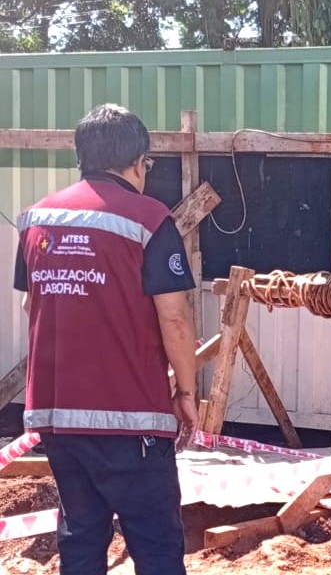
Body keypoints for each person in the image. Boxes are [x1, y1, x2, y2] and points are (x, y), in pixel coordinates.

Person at [14, 103, 199, 575]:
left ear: (82, 157)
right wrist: (186, 392)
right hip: (133, 418)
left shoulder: (36, 219)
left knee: (81, 538)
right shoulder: (149, 219)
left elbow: (32, 306)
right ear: (138, 162)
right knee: (157, 547)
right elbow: (175, 319)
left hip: (58, 418)